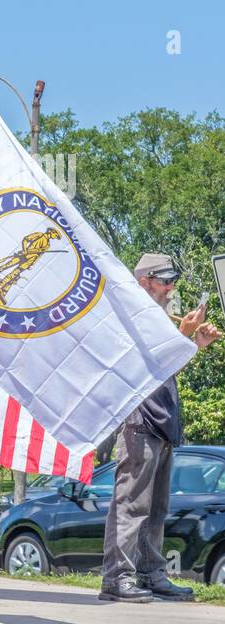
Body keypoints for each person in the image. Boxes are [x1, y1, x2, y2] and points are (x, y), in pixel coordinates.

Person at [100, 253, 221, 603]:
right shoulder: (133, 317)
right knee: (130, 505)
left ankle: (151, 574)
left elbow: (165, 372)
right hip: (139, 422)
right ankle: (117, 578)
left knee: (156, 509)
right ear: (144, 281)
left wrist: (194, 344)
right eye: (164, 280)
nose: (170, 288)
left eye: (172, 281)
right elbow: (141, 367)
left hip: (162, 422)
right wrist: (182, 335)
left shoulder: (160, 319)